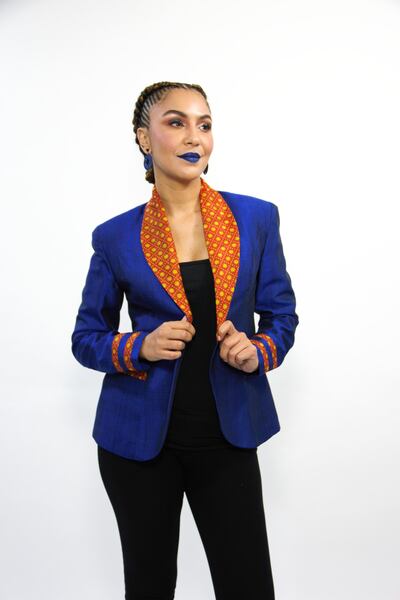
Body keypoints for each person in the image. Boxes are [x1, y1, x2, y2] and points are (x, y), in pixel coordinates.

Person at [71, 81, 299, 600]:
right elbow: (86, 338)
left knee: (248, 586)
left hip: (228, 436)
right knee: (149, 588)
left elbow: (281, 316)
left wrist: (257, 351)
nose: (194, 136)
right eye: (176, 122)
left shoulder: (255, 218)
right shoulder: (114, 236)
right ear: (144, 138)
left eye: (204, 124)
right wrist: (140, 346)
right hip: (137, 444)